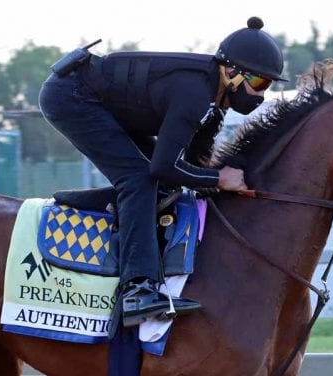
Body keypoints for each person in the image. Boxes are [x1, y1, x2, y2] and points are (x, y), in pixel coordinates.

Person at [38, 16, 286, 331]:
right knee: (141, 180)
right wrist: (219, 179)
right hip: (72, 96)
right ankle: (136, 292)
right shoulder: (194, 94)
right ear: (232, 73)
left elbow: (193, 162)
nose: (261, 94)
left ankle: (110, 208)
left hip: (101, 101)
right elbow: (163, 166)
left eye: (266, 85)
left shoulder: (213, 100)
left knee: (160, 184)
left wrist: (220, 186)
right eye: (259, 83)